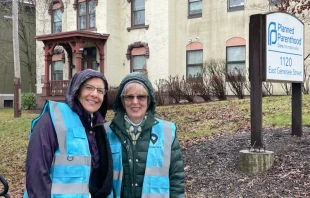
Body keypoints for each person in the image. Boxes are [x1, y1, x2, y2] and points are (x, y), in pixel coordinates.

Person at [24, 69, 113, 198]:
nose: (95, 94)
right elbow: (37, 173)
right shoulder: (53, 119)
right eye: (89, 87)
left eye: (100, 91)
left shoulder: (100, 128)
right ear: (76, 90)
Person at [104, 72, 185, 198]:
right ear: (122, 100)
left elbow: (176, 180)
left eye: (141, 97)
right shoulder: (107, 132)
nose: (135, 102)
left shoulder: (167, 131)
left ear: (149, 100)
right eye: (129, 97)